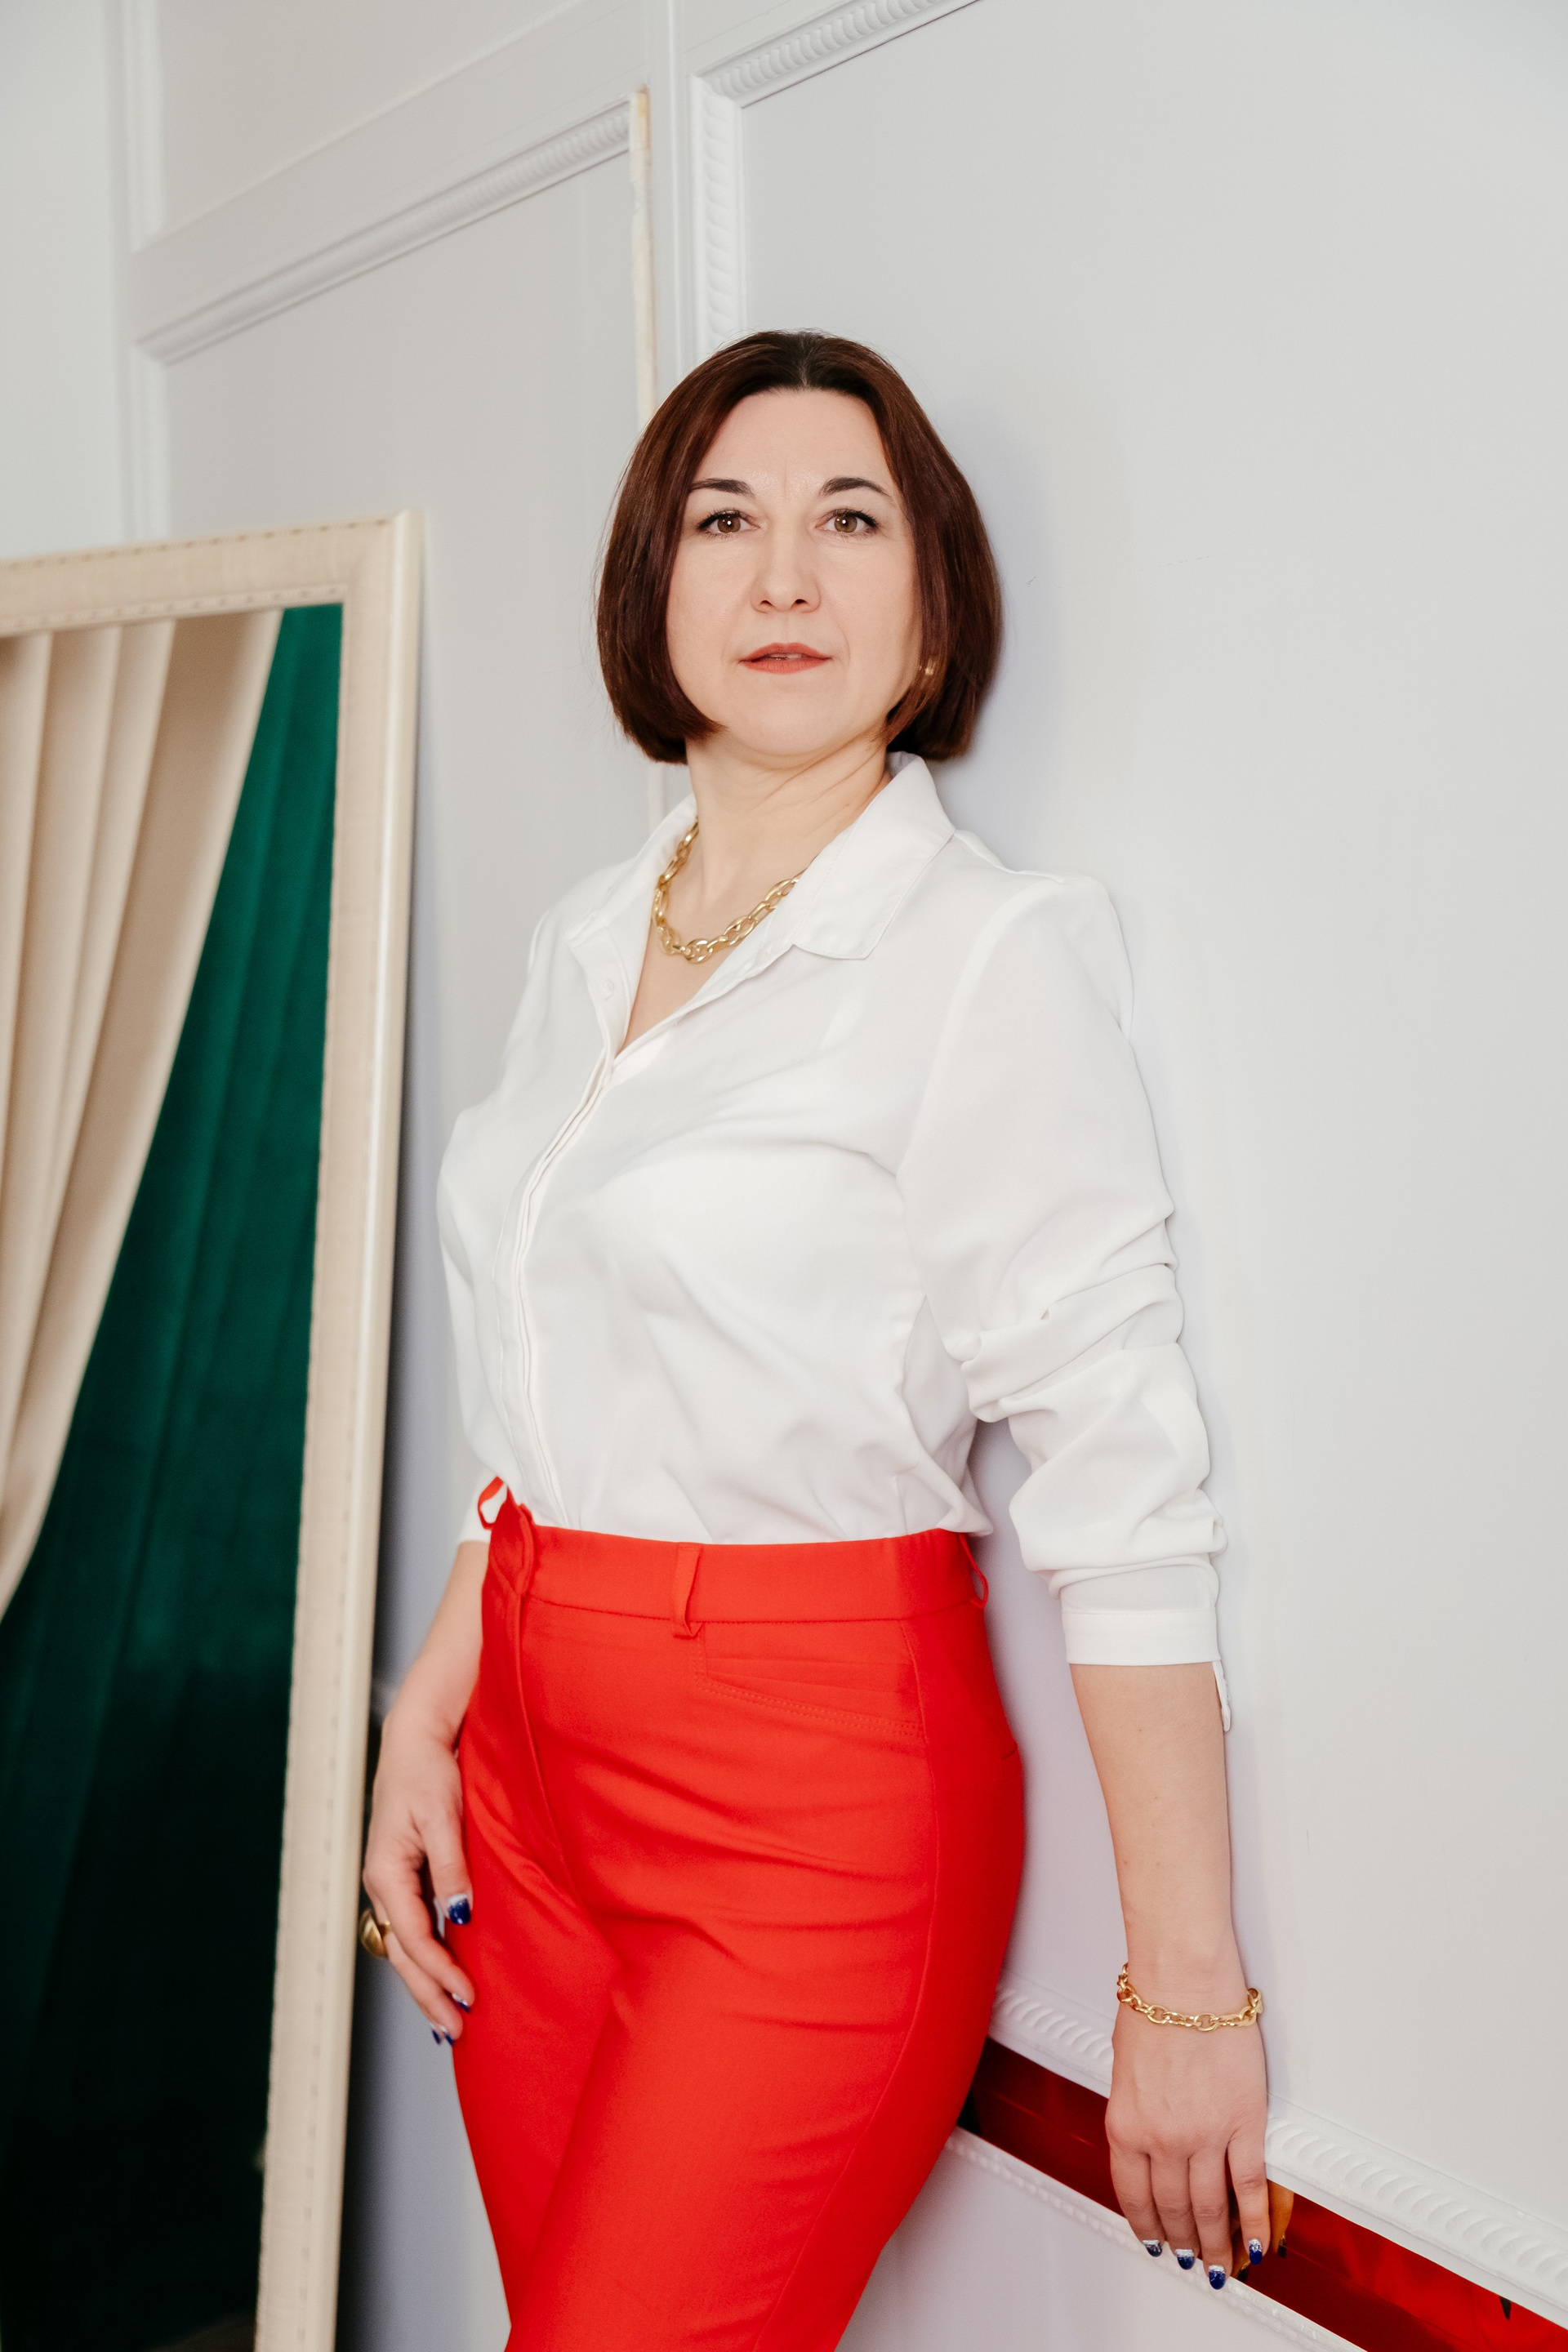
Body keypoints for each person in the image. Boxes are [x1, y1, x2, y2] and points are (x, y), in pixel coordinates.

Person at [361, 329, 1268, 2348]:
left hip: (806, 1812)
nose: (784, 574)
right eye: (726, 521)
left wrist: (1188, 1990)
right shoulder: (590, 933)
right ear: (652, 586)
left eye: (850, 520)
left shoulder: (987, 955)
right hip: (524, 1779)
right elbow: (549, 1393)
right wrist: (429, 1710)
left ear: (931, 612)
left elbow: (1124, 1484)